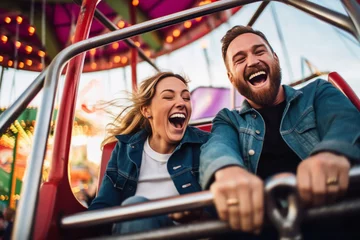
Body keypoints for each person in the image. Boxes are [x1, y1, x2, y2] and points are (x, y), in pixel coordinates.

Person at [200, 25, 360, 238]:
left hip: (333, 218)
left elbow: (345, 120)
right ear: (231, 77)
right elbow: (218, 146)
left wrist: (332, 151)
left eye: (259, 51)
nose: (252, 61)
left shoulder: (317, 92)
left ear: (275, 58)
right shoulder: (229, 119)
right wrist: (228, 171)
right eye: (239, 59)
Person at [89, 72, 210, 235]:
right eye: (168, 97)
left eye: (186, 98)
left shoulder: (204, 145)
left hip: (186, 233)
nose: (181, 103)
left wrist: (195, 213)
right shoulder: (124, 150)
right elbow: (103, 206)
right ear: (146, 110)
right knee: (136, 208)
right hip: (129, 230)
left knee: (137, 207)